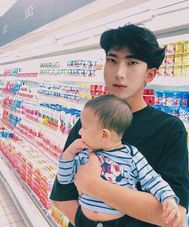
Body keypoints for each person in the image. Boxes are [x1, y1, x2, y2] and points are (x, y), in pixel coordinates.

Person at [50, 24, 189, 227]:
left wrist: (95, 186)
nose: (119, 73)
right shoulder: (88, 121)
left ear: (150, 74)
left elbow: (173, 216)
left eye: (132, 62)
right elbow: (62, 196)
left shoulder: (169, 129)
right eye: (112, 60)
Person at [57, 94, 181, 227]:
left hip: (119, 223)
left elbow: (153, 180)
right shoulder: (84, 154)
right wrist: (68, 154)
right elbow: (64, 179)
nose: (80, 132)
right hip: (83, 221)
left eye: (84, 127)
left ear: (104, 134)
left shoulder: (131, 155)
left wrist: (168, 198)